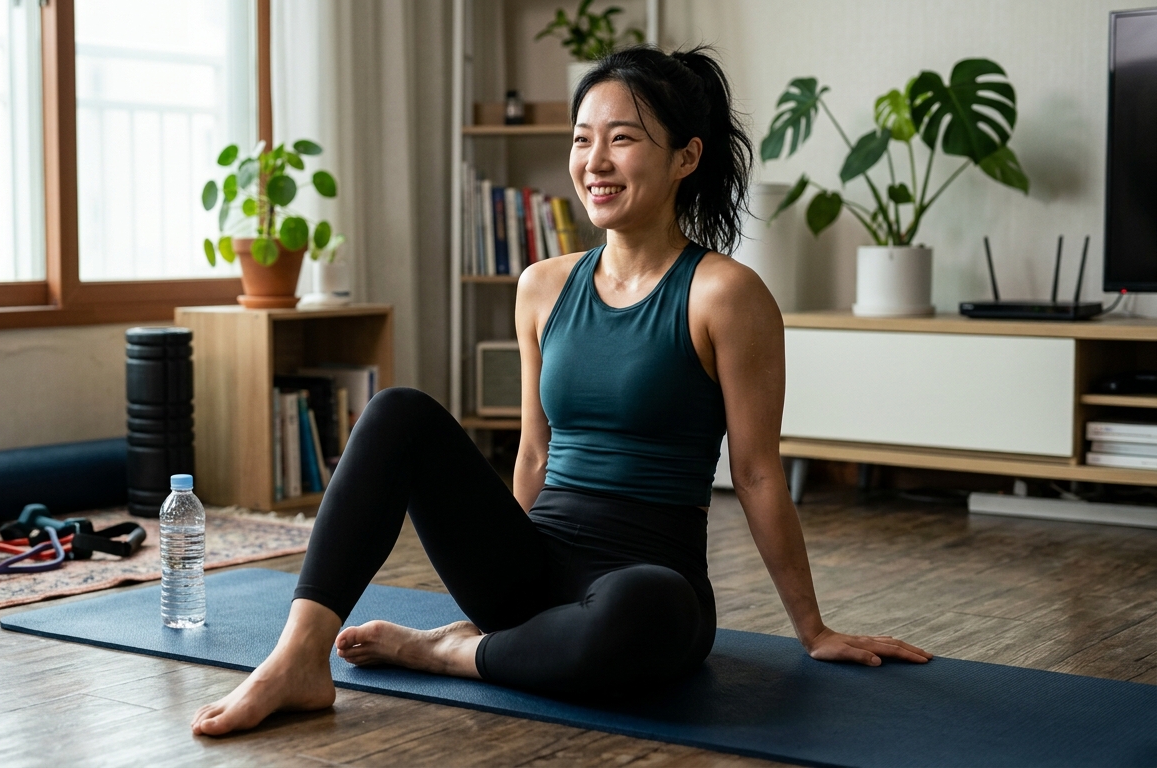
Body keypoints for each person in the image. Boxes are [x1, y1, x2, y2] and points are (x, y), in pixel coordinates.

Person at [192, 45, 931, 737]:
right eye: (582, 139)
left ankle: (449, 653)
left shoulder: (725, 295)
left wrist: (813, 629)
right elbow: (535, 453)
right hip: (535, 567)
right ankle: (299, 658)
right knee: (396, 414)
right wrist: (498, 575)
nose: (595, 161)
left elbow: (759, 472)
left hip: (647, 581)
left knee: (648, 608)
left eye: (622, 139)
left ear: (686, 157)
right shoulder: (542, 286)